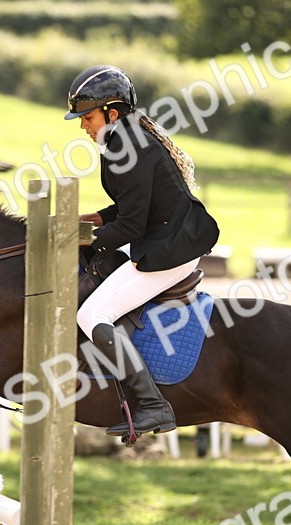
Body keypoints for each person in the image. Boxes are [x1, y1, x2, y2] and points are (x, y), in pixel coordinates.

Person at [66, 65, 220, 437]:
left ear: (111, 113)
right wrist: (93, 220)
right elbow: (131, 207)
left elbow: (132, 227)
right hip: (167, 238)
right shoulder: (124, 139)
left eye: (87, 117)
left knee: (93, 315)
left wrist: (80, 240)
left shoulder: (129, 145)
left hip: (171, 249)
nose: (82, 126)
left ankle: (154, 405)